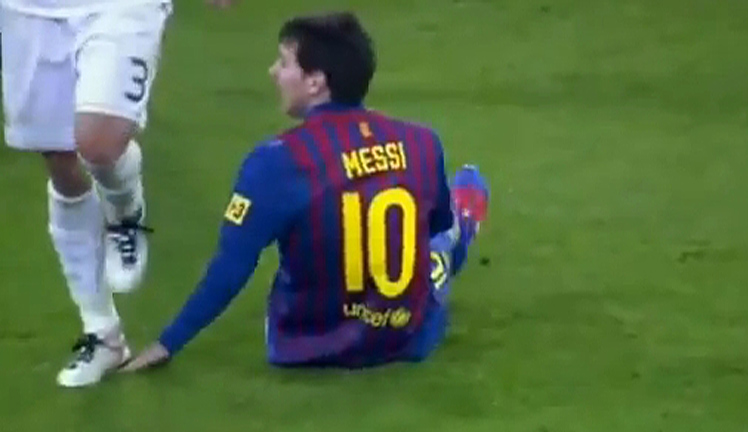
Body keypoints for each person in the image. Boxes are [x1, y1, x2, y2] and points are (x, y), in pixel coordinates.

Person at [122, 11, 490, 371]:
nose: (273, 72)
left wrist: (166, 343)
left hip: (306, 348)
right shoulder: (422, 141)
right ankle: (467, 215)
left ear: (315, 82)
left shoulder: (274, 161)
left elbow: (230, 268)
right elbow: (436, 224)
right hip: (405, 339)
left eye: (284, 63)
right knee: (442, 239)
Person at [0, 0, 173, 387]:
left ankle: (125, 209)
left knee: (98, 145)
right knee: (60, 162)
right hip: (28, 12)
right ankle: (103, 333)